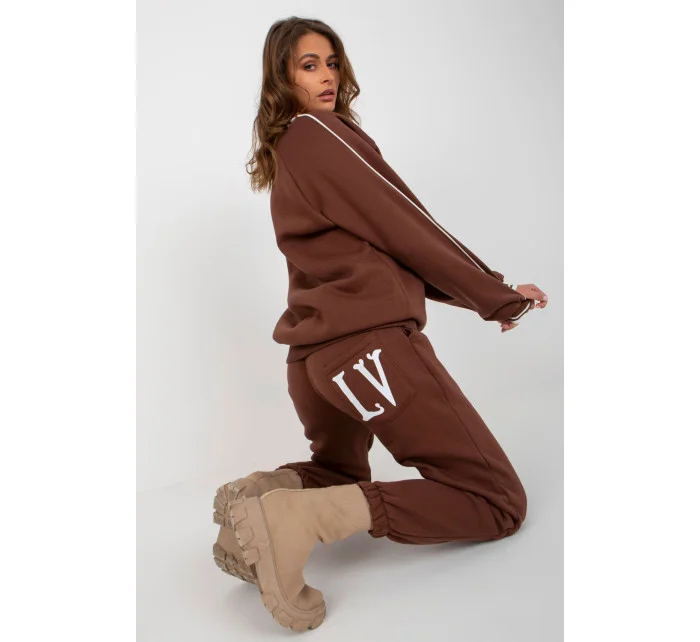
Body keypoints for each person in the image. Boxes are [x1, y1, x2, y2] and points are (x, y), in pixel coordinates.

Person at [212, 17, 549, 632]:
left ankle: (262, 497)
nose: (327, 77)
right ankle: (295, 521)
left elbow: (381, 246)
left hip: (313, 360)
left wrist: (484, 295)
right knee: (497, 500)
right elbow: (407, 225)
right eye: (308, 65)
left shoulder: (288, 151)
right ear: (280, 78)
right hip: (367, 350)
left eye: (332, 63)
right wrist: (496, 295)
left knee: (340, 474)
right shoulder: (320, 134)